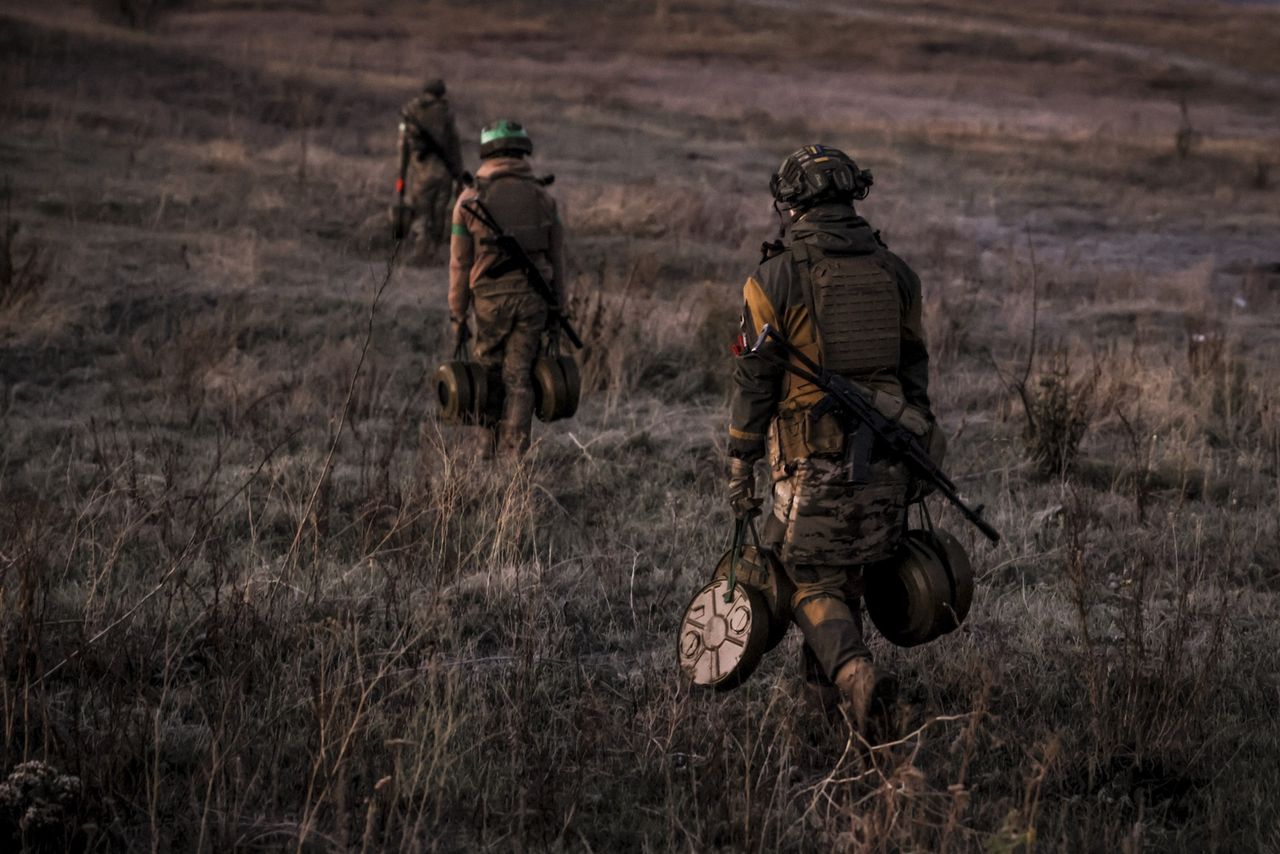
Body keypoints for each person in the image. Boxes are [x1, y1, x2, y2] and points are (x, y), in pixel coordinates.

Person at [727, 144, 940, 740]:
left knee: (803, 580)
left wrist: (739, 460)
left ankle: (856, 677)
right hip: (891, 458)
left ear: (791, 204)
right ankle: (824, 722)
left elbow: (754, 382)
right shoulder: (896, 272)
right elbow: (915, 373)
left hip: (812, 463)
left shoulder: (773, 278)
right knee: (844, 580)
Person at [448, 120, 565, 457]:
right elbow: (557, 259)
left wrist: (457, 315)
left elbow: (459, 264)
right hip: (534, 301)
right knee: (520, 377)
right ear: (521, 151)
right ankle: (513, 461)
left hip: (489, 301)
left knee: (487, 374)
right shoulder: (545, 198)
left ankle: (486, 451)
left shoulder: (468, 200)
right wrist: (560, 307)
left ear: (488, 152)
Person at [399, 78, 465, 263]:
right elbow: (454, 147)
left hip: (421, 173)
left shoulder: (410, 111)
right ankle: (433, 252)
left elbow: (403, 148)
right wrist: (459, 178)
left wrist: (400, 178)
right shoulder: (446, 113)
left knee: (421, 212)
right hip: (444, 174)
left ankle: (420, 250)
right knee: (438, 213)